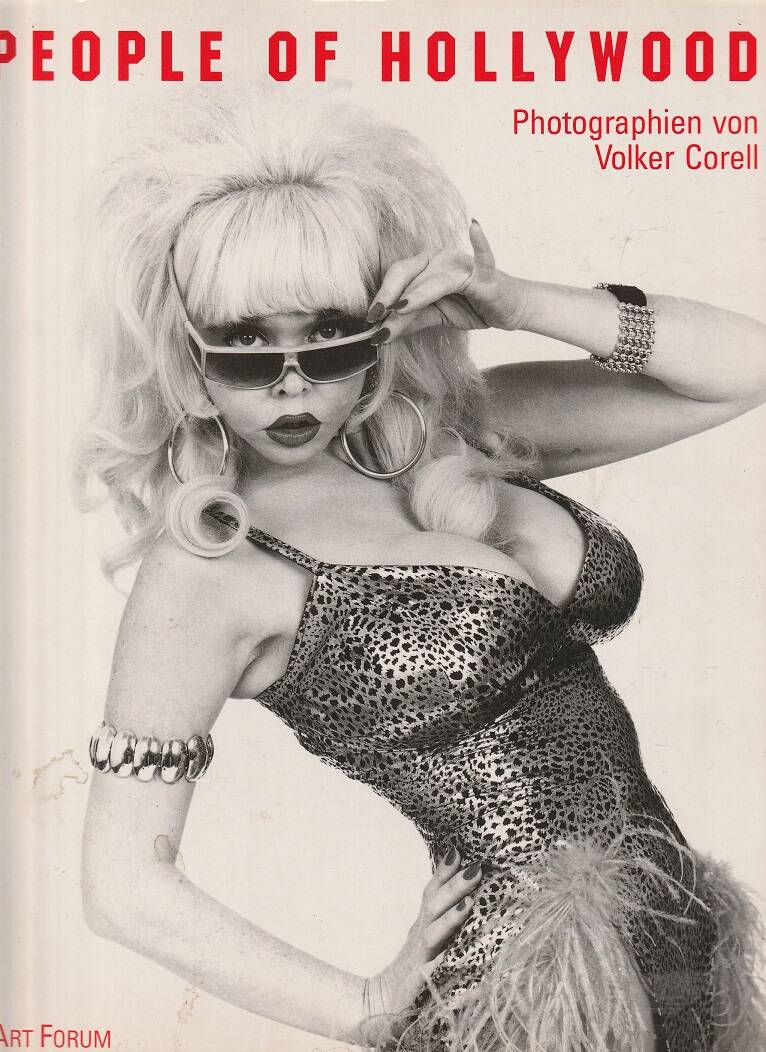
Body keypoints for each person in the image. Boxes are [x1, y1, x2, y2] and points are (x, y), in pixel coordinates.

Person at [78, 86, 766, 1052]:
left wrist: (514, 301)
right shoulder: (211, 566)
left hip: (675, 955)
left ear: (379, 335)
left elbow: (747, 367)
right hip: (517, 1004)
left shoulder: (457, 438)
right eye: (245, 350)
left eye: (330, 338)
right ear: (190, 362)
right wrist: (362, 1006)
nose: (292, 386)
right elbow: (121, 884)